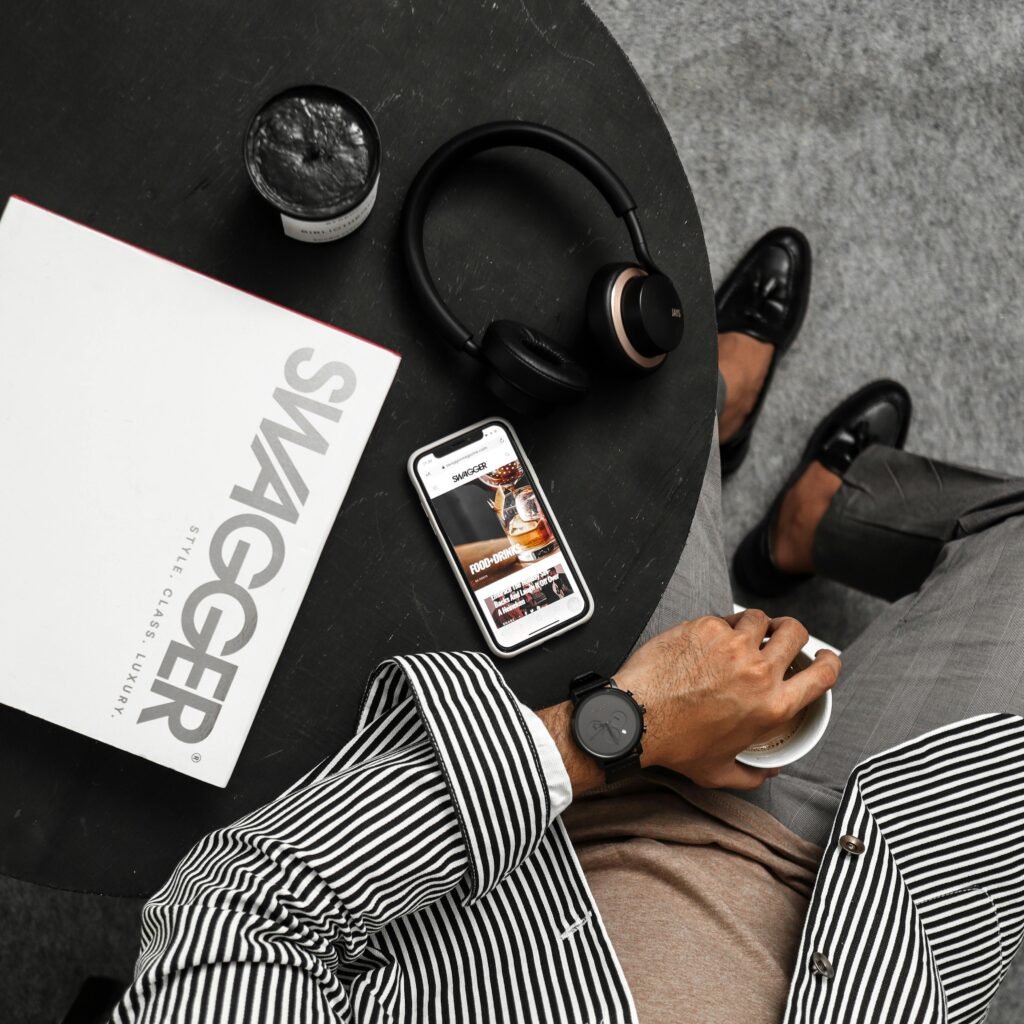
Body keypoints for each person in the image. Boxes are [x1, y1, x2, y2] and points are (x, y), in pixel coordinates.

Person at [111, 229, 1024, 1024]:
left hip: (554, 820)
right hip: (897, 916)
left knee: (629, 410)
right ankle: (811, 520)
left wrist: (619, 729)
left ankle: (719, 420)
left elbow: (243, 912)